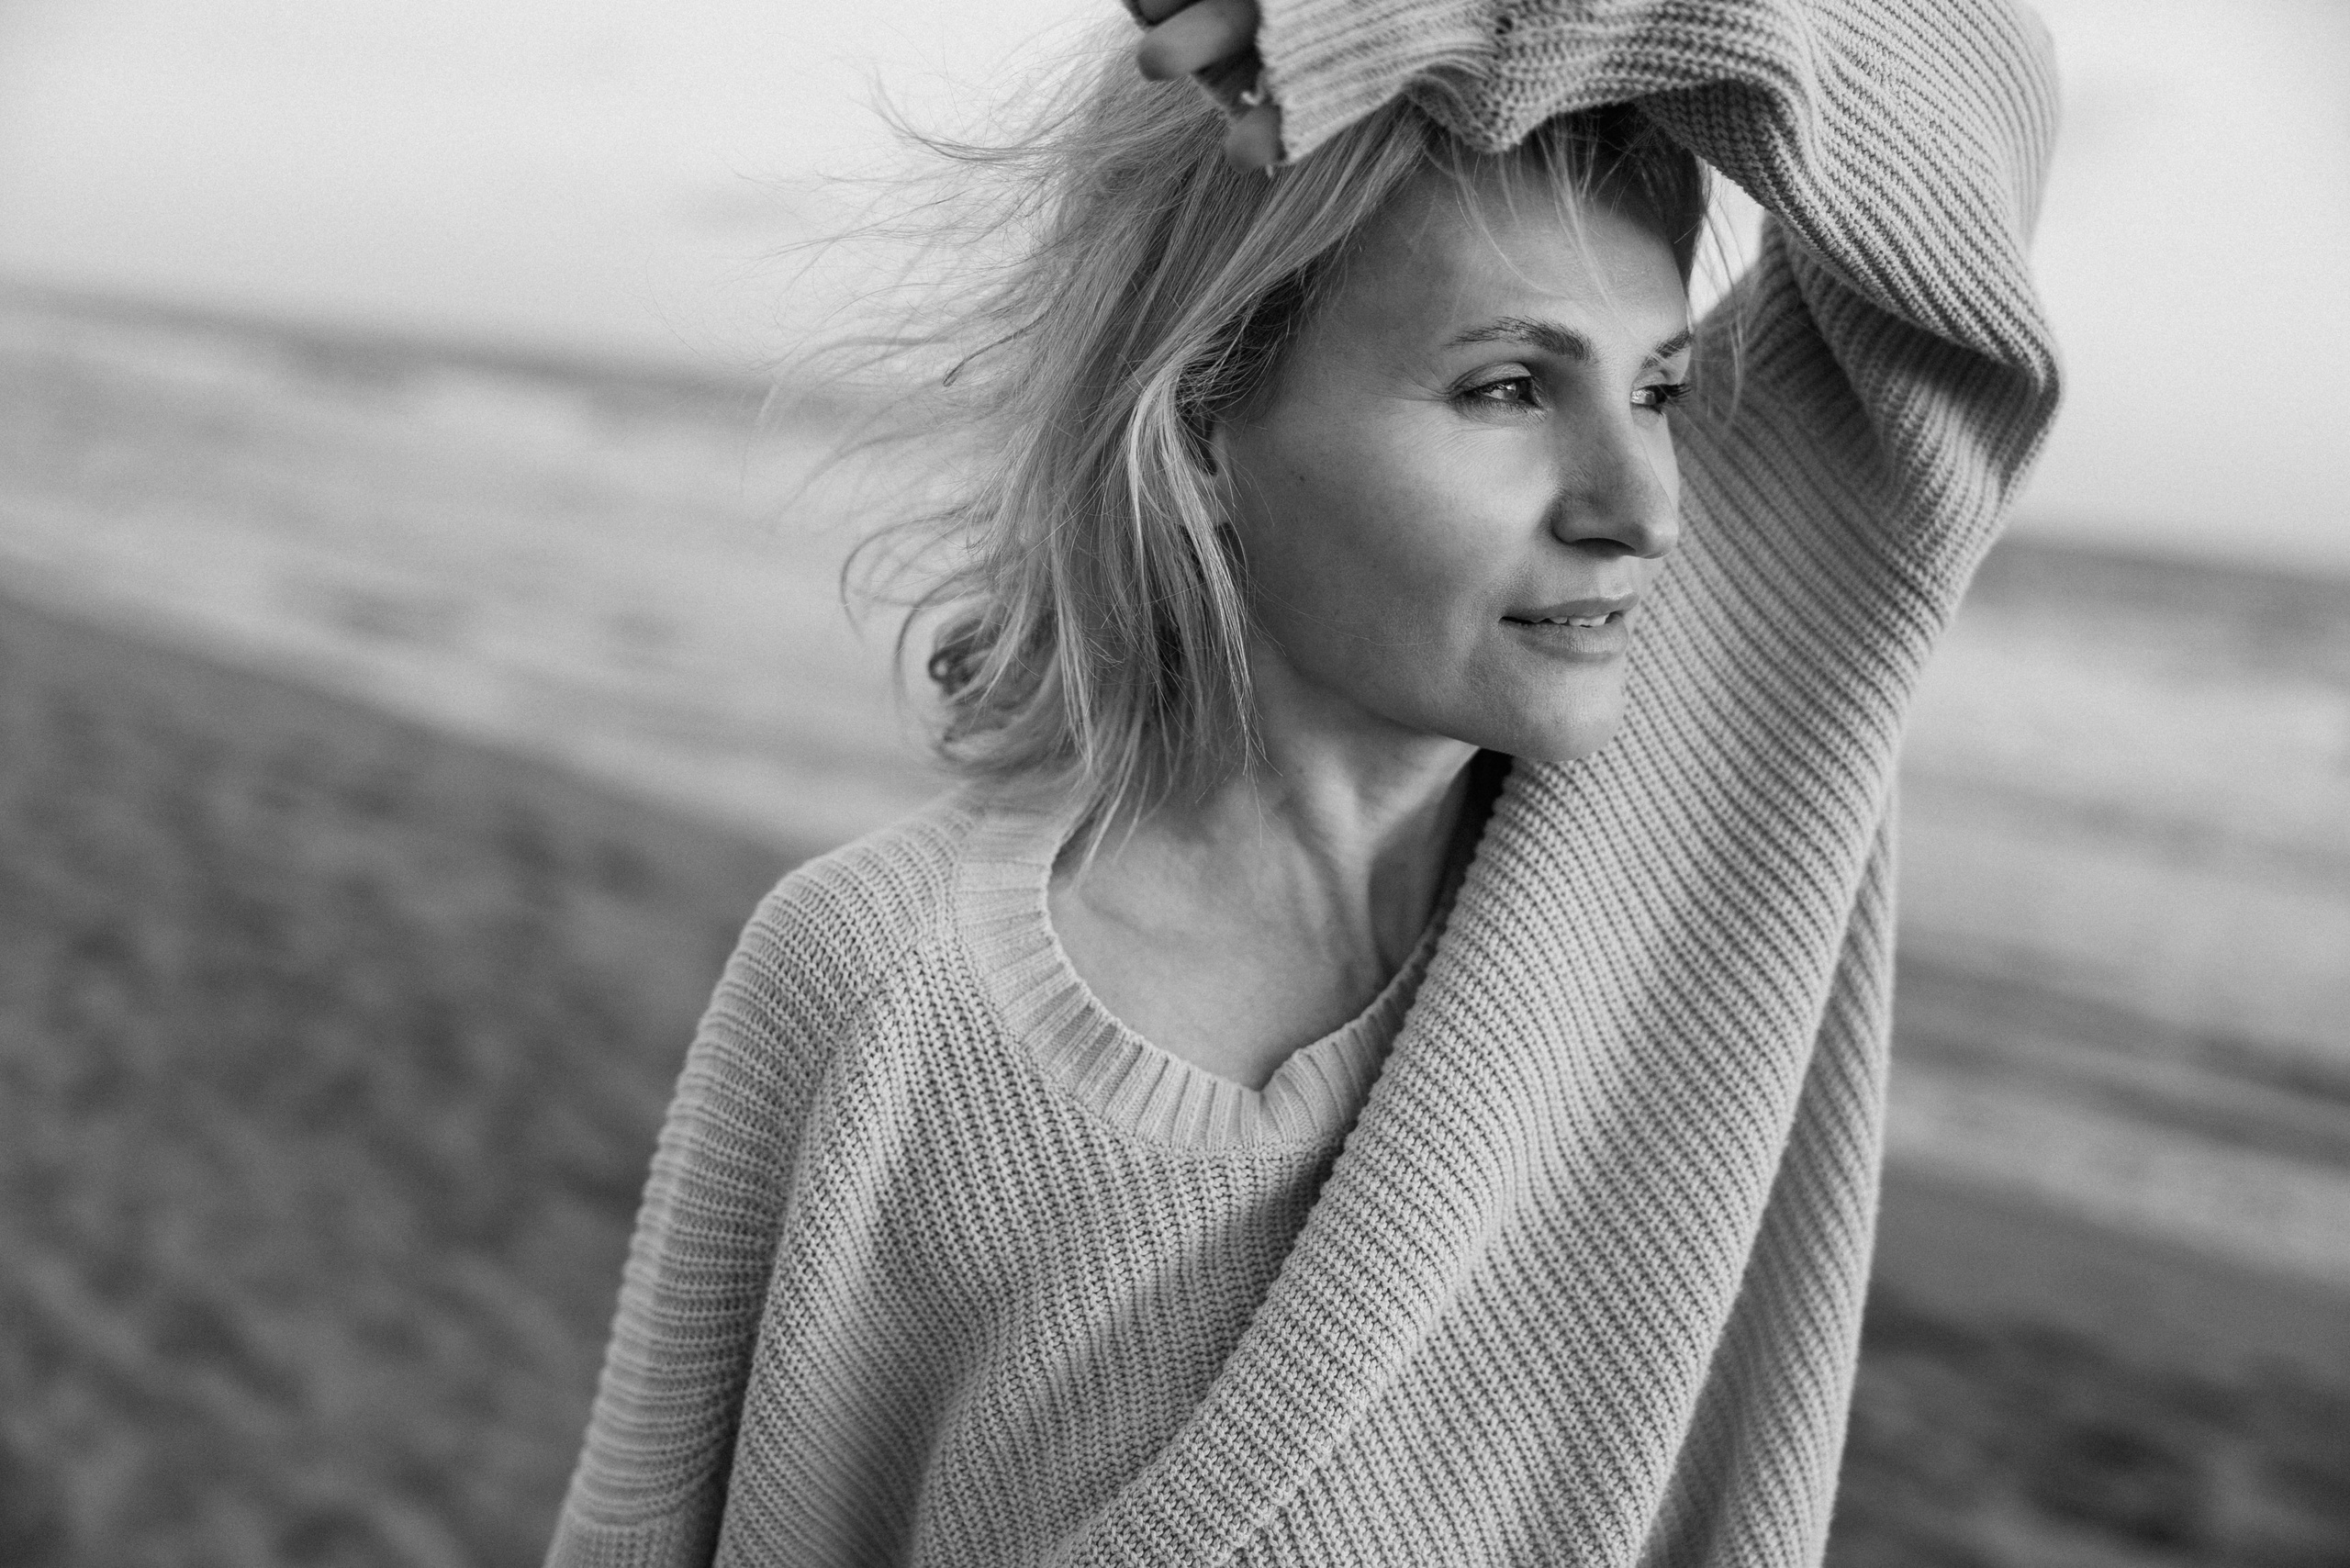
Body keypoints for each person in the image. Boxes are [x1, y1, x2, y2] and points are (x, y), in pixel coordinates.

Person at [547, 0, 2060, 1561]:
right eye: (1508, 388)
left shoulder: (1708, 783)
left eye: (1659, 390)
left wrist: (1486, 18)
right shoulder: (883, 996)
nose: (1642, 508)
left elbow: (1970, 89)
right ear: (1203, 418)